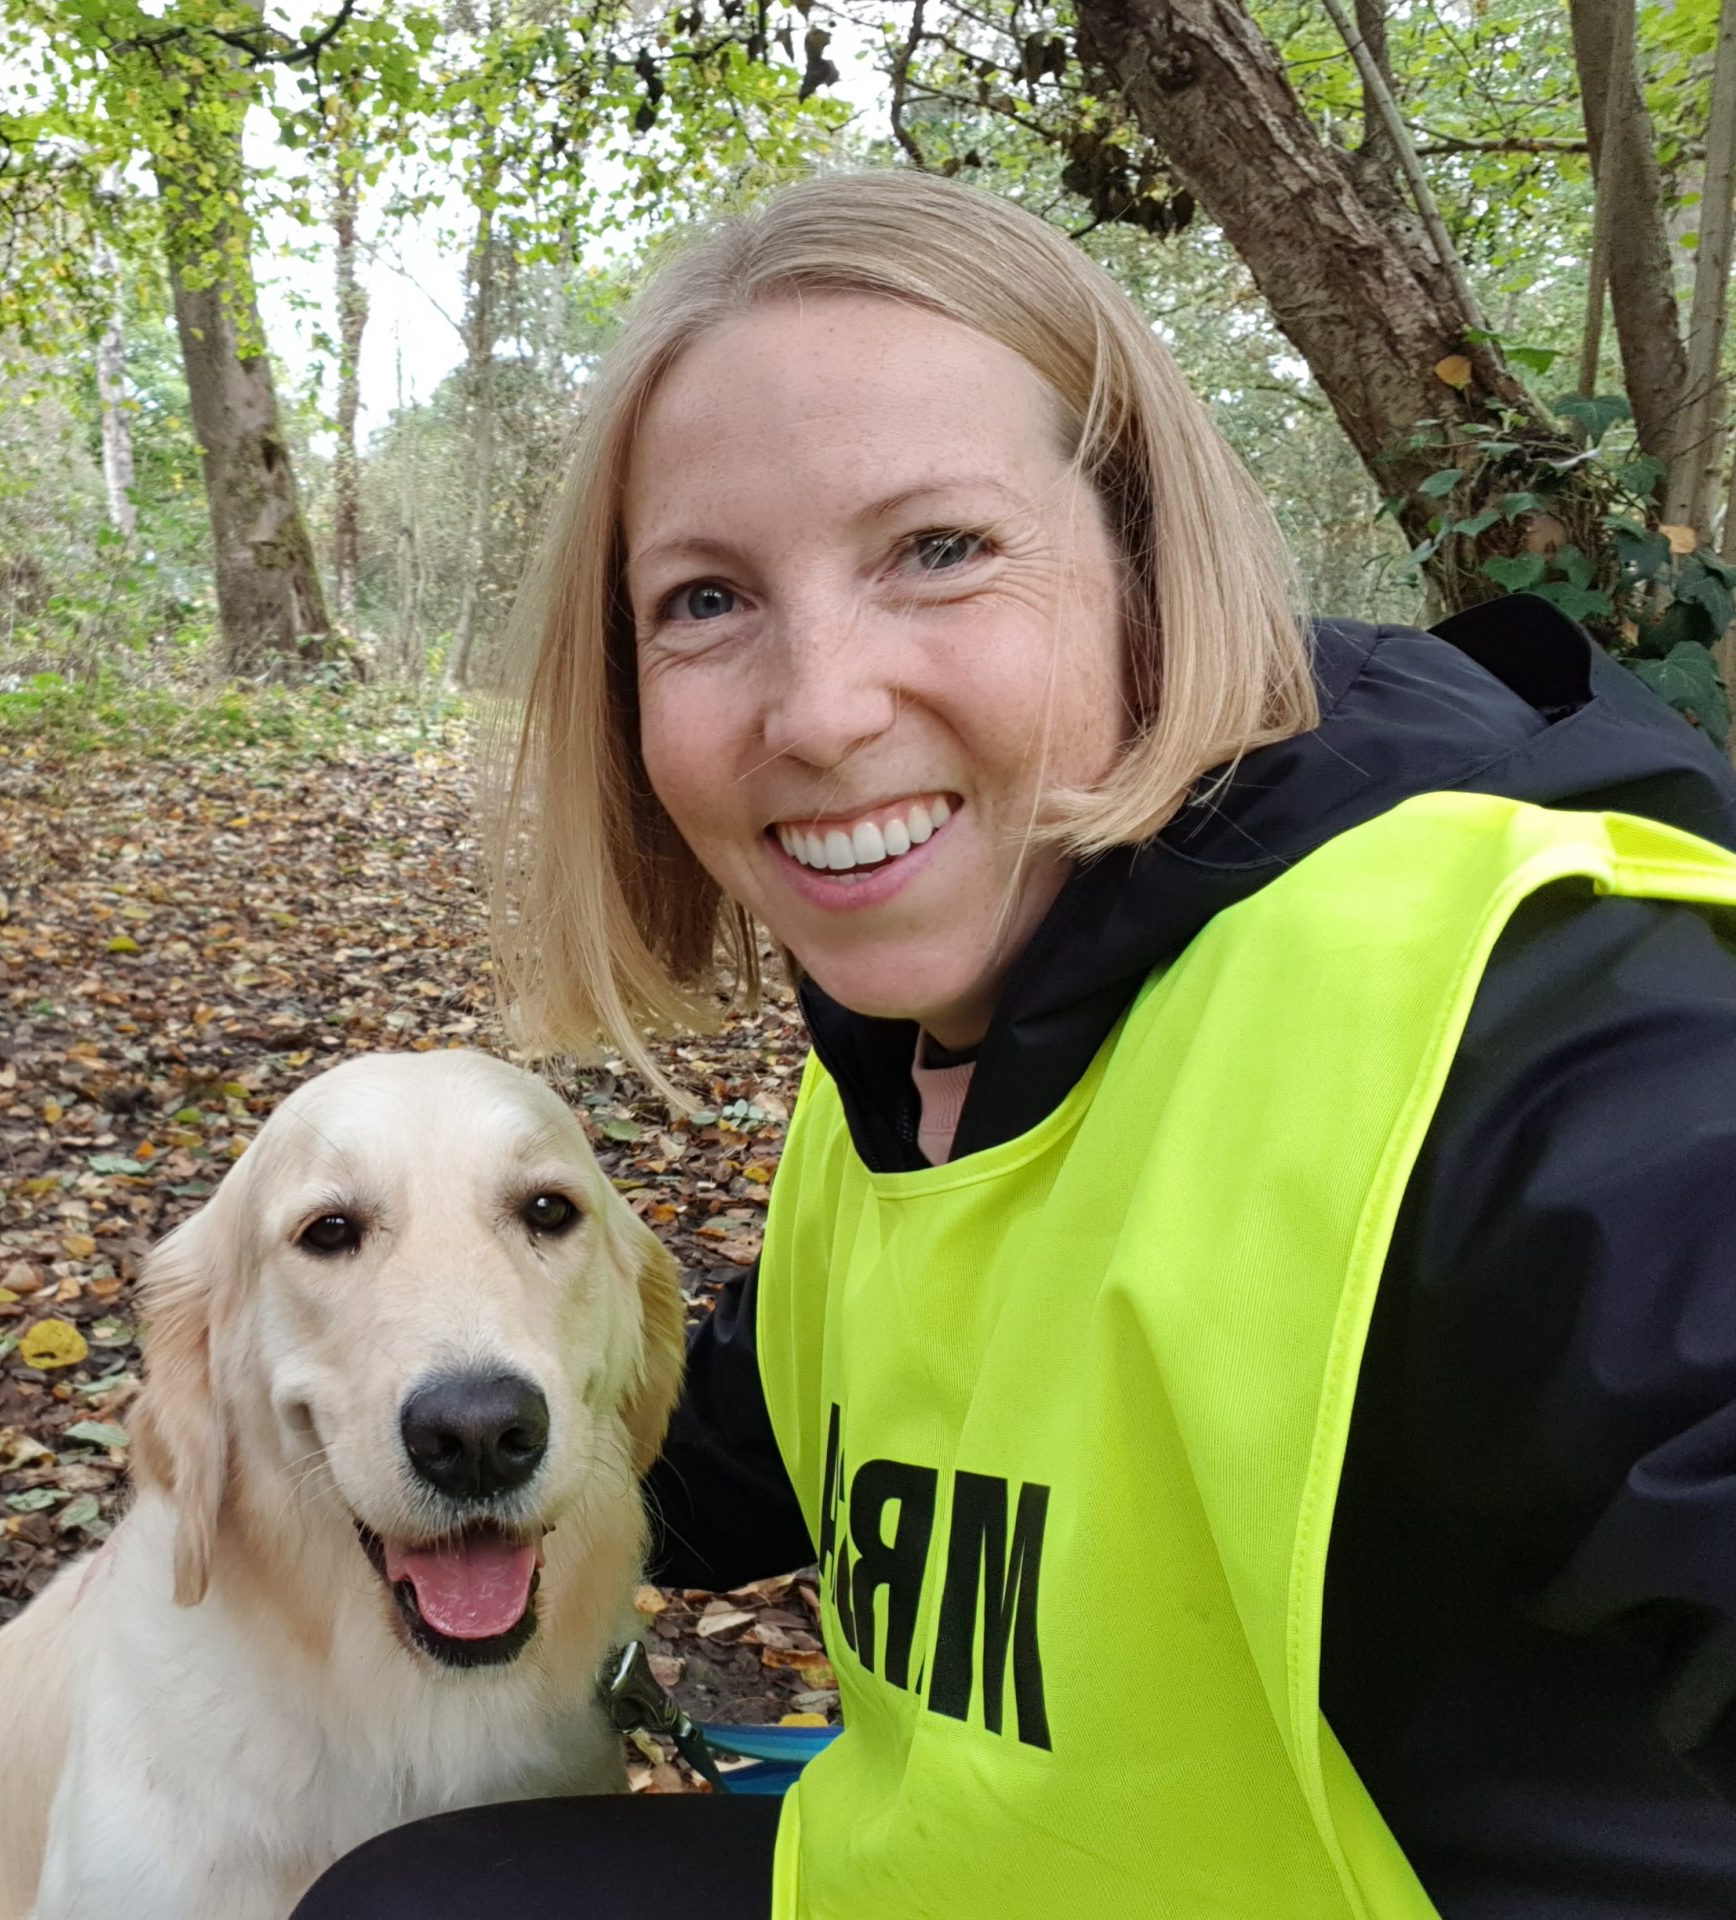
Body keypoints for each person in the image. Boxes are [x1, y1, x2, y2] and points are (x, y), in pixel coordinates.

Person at [291, 169, 1736, 1919]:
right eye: (704, 600)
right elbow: (690, 1443)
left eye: (941, 550)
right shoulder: (910, 1051)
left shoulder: (1535, 1016)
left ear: (1146, 563)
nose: (820, 708)